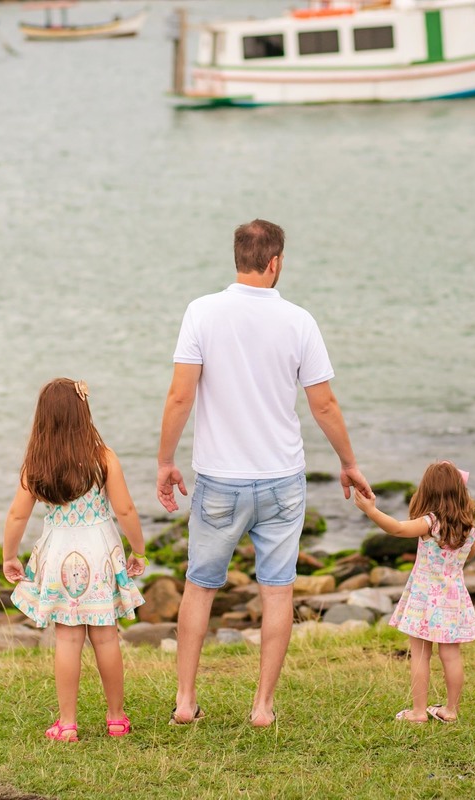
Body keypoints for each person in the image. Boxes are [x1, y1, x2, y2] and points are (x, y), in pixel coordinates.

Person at [157, 219, 372, 728]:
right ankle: (262, 707)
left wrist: (165, 461)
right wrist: (348, 462)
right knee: (277, 590)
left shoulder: (201, 312)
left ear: (237, 257)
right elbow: (324, 405)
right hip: (281, 480)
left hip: (218, 481)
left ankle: (186, 702)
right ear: (274, 262)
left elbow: (180, 395)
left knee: (199, 587)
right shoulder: (299, 321)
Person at [2, 378, 147, 742]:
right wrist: (138, 549)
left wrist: (9, 555)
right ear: (84, 412)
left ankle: (67, 723)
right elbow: (125, 508)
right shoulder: (103, 457)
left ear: (43, 418)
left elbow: (17, 516)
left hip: (59, 551)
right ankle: (116, 718)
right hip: (99, 549)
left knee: (67, 640)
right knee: (106, 637)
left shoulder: (38, 463)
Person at [353, 461, 475, 724]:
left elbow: (398, 528)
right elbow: (472, 553)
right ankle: (450, 710)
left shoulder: (429, 523)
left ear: (427, 491)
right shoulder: (468, 528)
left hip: (425, 599)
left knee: (421, 654)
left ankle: (419, 712)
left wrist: (371, 510)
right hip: (453, 598)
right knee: (451, 655)